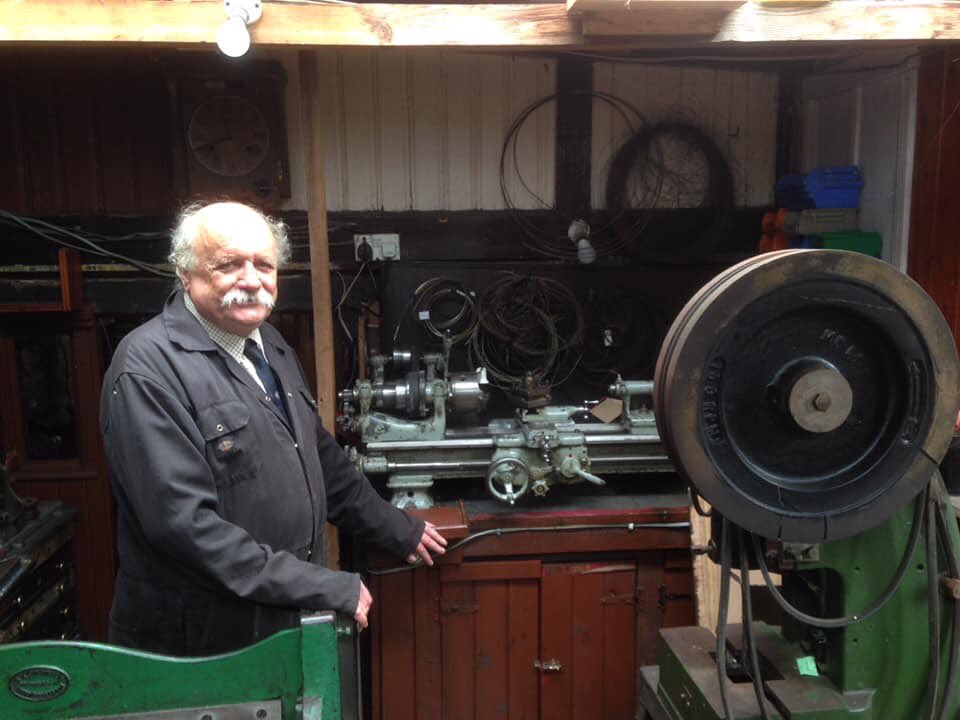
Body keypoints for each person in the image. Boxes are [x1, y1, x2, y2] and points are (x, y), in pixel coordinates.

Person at [99, 201, 446, 656]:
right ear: (185, 274)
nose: (251, 279)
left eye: (264, 264)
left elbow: (320, 459)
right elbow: (186, 529)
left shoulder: (270, 345)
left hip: (279, 619)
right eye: (228, 264)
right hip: (202, 645)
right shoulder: (147, 368)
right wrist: (318, 585)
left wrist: (396, 529)